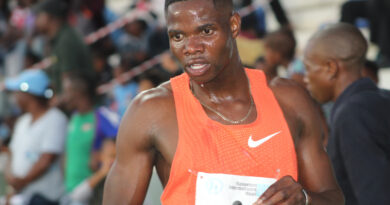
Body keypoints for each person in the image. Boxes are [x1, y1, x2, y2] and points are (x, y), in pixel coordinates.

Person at [103, 0, 344, 204]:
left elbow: (333, 198)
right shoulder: (150, 111)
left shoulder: (289, 100)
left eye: (206, 31)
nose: (191, 48)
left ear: (234, 25)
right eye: (178, 36)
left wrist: (304, 197)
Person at [303, 23, 390, 205]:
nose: (305, 78)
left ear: (330, 68)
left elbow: (374, 195)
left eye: (309, 68)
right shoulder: (380, 98)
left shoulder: (352, 114)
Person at [4, 69, 67, 204]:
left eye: (18, 92)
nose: (15, 97)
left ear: (28, 94)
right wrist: (12, 182)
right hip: (21, 196)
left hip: (44, 197)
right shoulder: (23, 121)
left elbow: (47, 159)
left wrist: (22, 181)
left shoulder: (56, 119)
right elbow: (12, 153)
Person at [62, 73, 119, 194]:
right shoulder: (74, 118)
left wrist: (100, 157)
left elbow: (119, 143)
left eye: (66, 92)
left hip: (95, 191)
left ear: (78, 92)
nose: (64, 97)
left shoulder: (101, 115)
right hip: (72, 192)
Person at [34, 0, 94, 94]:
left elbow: (70, 83)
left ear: (49, 17)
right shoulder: (56, 40)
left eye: (39, 16)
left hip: (79, 102)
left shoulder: (66, 40)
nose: (36, 21)